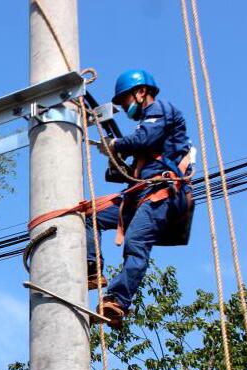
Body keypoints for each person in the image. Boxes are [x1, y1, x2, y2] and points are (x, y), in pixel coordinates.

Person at [87, 69, 194, 329]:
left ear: (141, 92)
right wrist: (117, 158)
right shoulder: (146, 129)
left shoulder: (161, 109)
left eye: (124, 100)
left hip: (162, 194)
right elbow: (131, 164)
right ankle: (92, 268)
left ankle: (118, 301)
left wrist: (116, 145)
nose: (123, 107)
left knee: (136, 242)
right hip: (139, 195)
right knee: (90, 214)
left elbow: (144, 137)